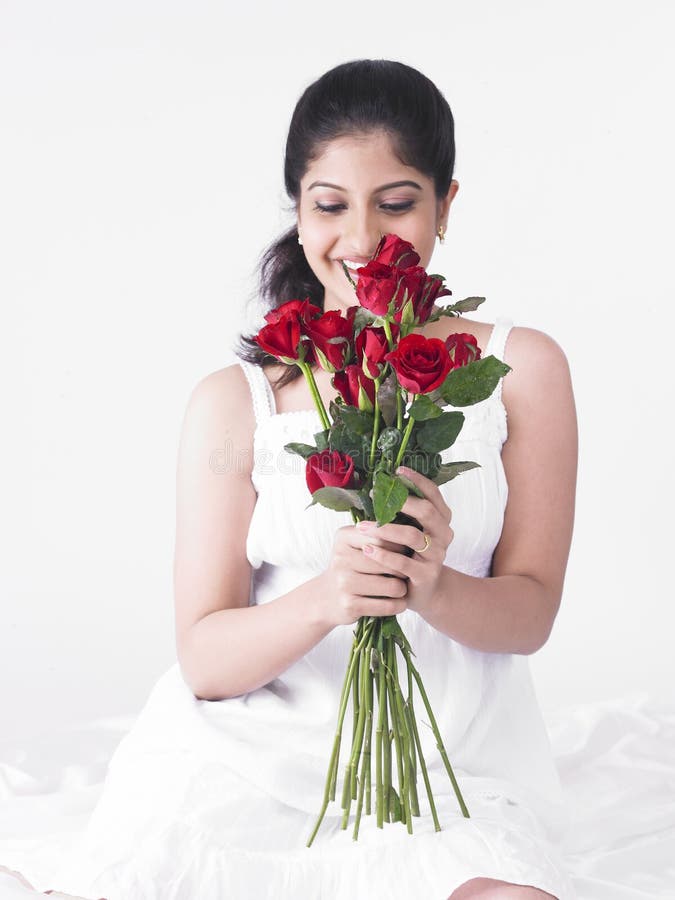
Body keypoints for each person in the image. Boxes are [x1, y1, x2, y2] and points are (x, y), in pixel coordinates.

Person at [34, 58, 578, 899]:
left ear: (446, 203)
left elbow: (531, 611)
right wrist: (333, 594)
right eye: (329, 205)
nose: (359, 239)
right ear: (298, 210)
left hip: (452, 771)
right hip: (243, 768)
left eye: (396, 202)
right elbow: (206, 660)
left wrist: (428, 586)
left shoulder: (520, 368)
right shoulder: (235, 402)